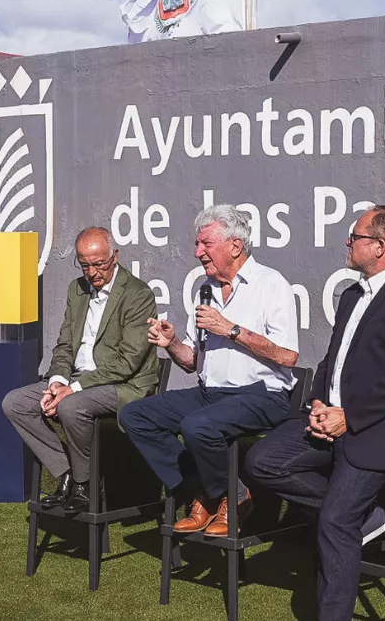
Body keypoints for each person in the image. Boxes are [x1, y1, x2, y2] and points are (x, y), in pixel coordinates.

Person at [243, 206, 385, 620]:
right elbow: (332, 361)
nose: (348, 243)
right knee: (262, 461)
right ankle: (367, 515)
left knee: (335, 521)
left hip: (382, 427)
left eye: (355, 237)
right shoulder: (353, 294)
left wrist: (348, 416)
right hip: (332, 418)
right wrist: (318, 401)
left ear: (380, 247)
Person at [118, 204, 299, 538]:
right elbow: (192, 361)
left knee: (196, 426)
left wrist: (231, 329)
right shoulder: (205, 288)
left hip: (261, 394)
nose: (198, 251)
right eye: (198, 244)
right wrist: (171, 343)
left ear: (235, 245)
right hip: (211, 393)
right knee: (135, 416)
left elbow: (287, 356)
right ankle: (210, 490)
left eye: (206, 244)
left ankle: (229, 496)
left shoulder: (271, 284)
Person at [2, 227, 160, 513]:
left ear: (115, 257)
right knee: (15, 403)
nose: (93, 272)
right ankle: (67, 475)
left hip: (125, 385)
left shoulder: (138, 293)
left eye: (99, 264)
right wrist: (57, 382)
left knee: (71, 407)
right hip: (77, 381)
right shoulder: (76, 290)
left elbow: (128, 363)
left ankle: (85, 487)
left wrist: (70, 390)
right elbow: (65, 345)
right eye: (85, 265)